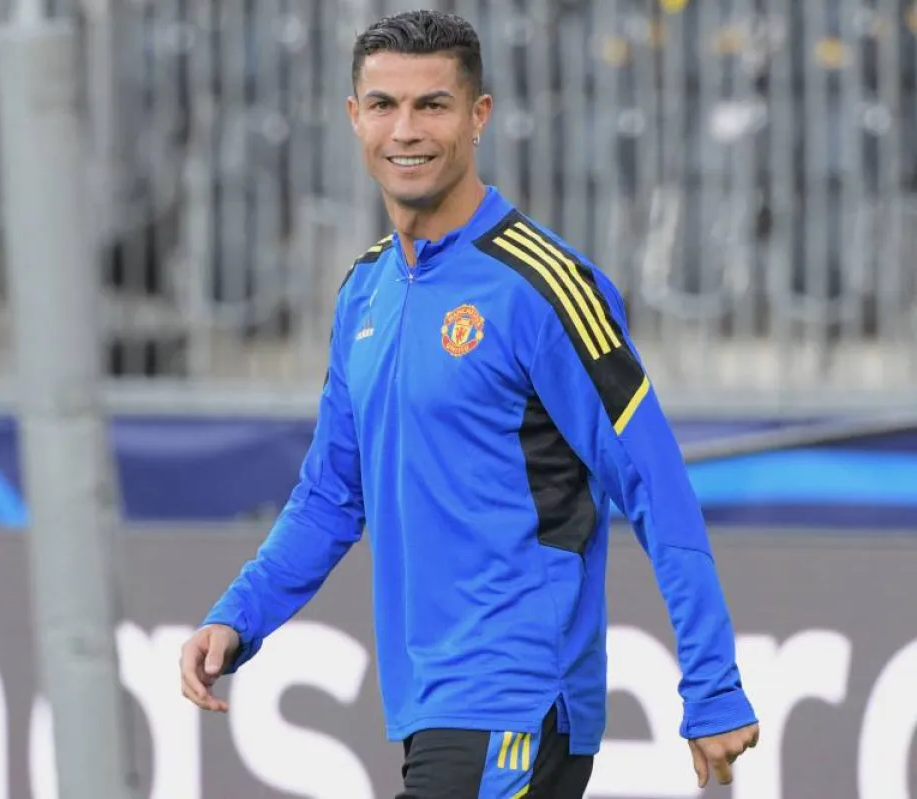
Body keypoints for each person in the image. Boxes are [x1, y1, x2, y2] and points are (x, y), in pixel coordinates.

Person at [179, 9, 760, 798]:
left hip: (518, 695)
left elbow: (653, 478)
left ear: (478, 116)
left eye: (433, 105)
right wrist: (239, 614)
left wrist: (713, 682)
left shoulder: (543, 285)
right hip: (430, 701)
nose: (405, 130)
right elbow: (330, 495)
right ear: (354, 118)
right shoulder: (365, 292)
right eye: (383, 105)